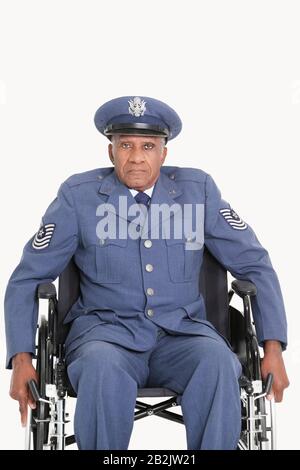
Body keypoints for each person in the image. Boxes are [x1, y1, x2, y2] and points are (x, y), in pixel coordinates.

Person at [5, 96, 289, 450]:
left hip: (183, 334)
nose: (136, 156)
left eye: (148, 146)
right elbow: (27, 277)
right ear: (111, 153)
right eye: (125, 145)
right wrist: (22, 359)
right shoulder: (79, 198)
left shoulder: (197, 191)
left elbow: (253, 263)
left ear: (163, 154)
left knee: (218, 362)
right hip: (106, 336)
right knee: (101, 368)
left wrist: (272, 347)